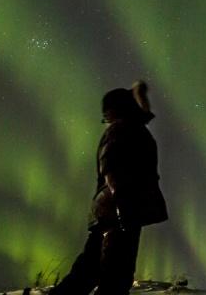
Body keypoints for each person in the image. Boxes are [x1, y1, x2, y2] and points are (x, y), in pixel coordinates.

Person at [53, 81, 168, 295]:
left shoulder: (127, 126)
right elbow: (112, 168)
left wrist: (139, 94)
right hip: (120, 210)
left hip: (115, 210)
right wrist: (123, 206)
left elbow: (143, 115)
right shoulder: (123, 129)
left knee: (89, 272)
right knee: (114, 277)